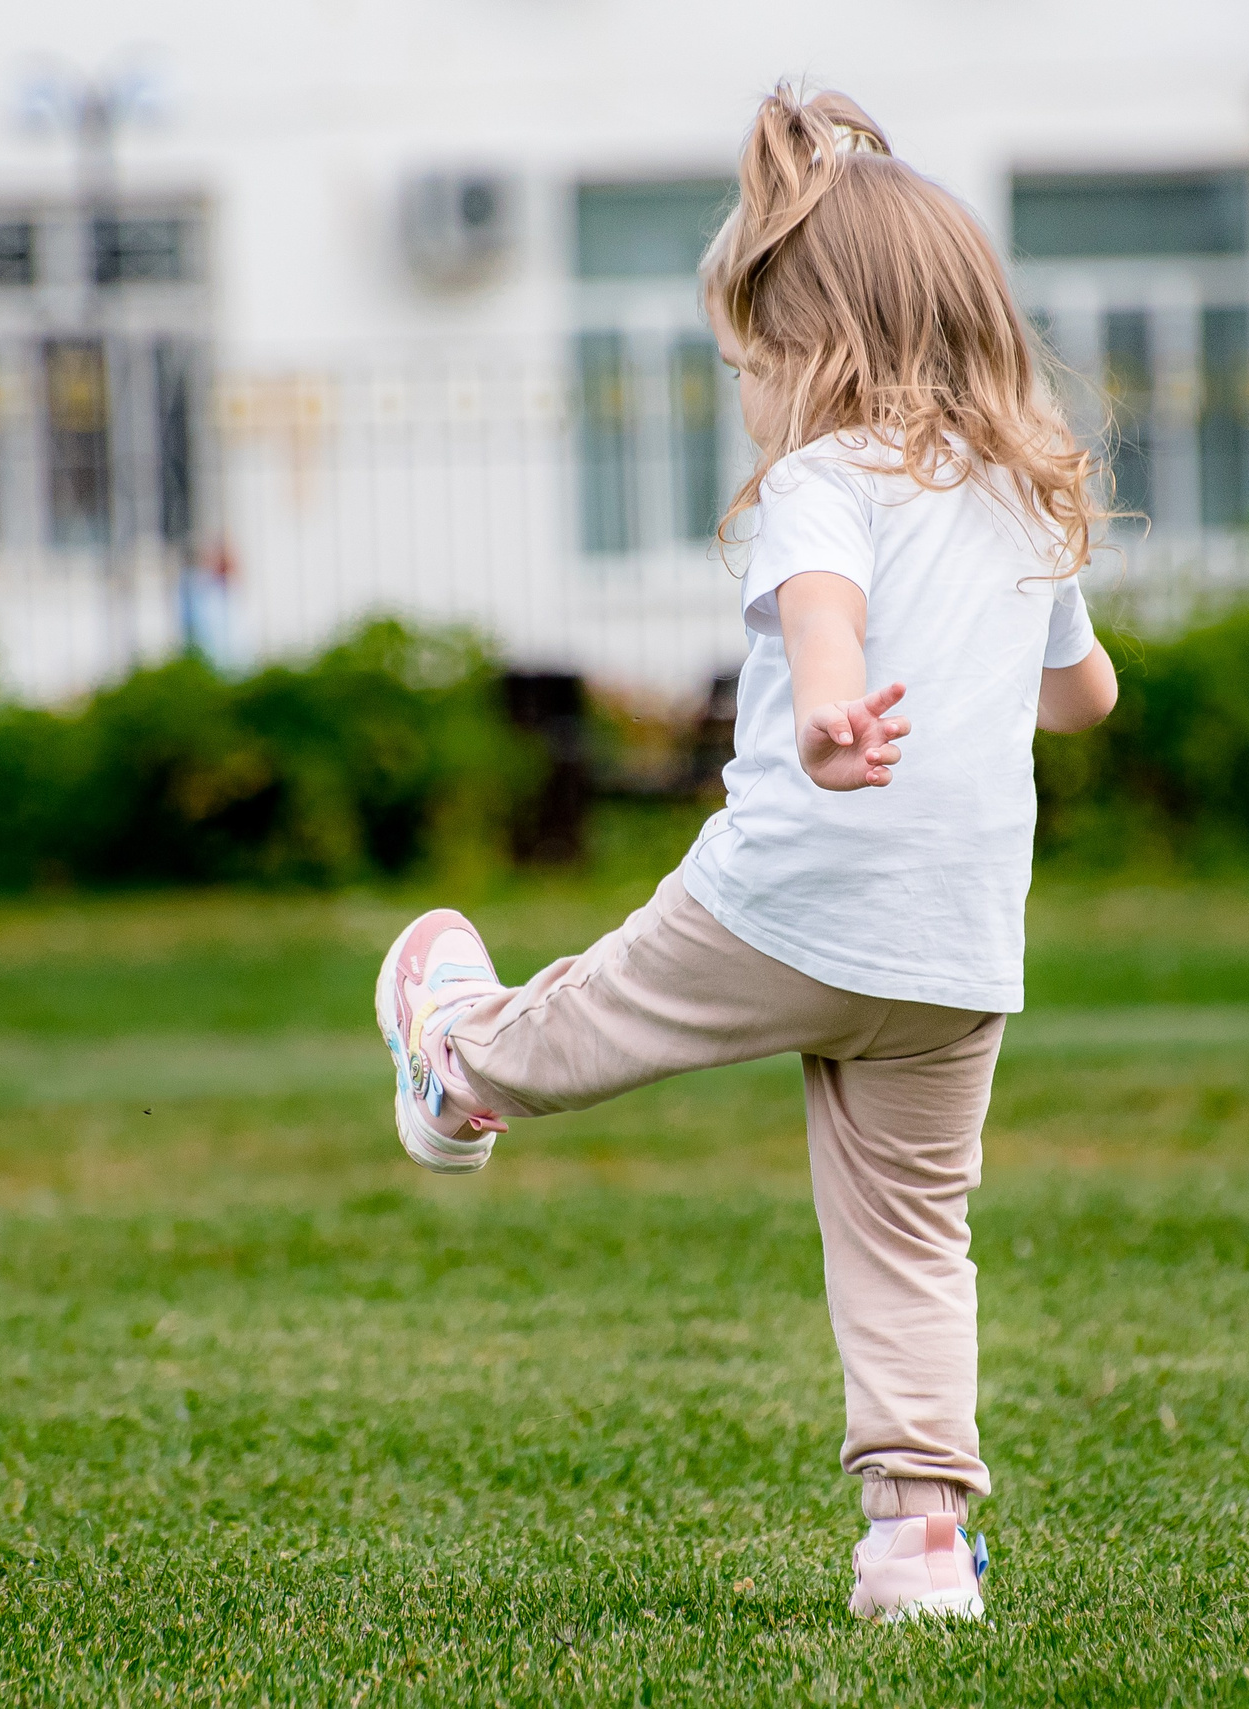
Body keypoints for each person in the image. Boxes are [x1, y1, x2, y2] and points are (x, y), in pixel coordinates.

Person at [372, 84, 1120, 1623]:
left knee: (590, 1015)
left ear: (822, 351)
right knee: (916, 1230)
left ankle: (461, 1067)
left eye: (746, 365)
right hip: (955, 954)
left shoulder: (820, 482)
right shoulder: (1020, 497)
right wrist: (1041, 659)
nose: (746, 396)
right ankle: (919, 1540)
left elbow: (821, 615)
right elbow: (1085, 694)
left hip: (787, 900)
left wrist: (836, 719)